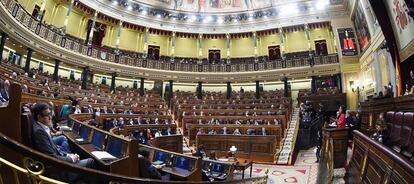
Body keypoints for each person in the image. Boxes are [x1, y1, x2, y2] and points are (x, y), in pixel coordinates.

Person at [31, 103, 94, 168]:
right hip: (58, 169)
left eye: (50, 114)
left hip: (59, 159)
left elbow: (54, 149)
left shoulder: (40, 127)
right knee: (91, 161)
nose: (50, 117)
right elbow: (51, 158)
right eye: (47, 115)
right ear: (39, 117)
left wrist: (68, 155)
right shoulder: (39, 132)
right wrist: (71, 159)